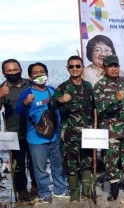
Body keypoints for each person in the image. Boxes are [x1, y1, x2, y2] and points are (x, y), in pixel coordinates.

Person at [15, 62, 69, 203]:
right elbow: (18, 111)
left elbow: (61, 110)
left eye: (42, 72)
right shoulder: (28, 93)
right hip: (36, 139)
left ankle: (60, 189)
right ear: (30, 76)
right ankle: (44, 193)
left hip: (55, 136)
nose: (39, 75)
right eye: (36, 73)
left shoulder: (52, 90)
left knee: (58, 166)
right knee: (40, 169)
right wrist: (25, 103)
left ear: (47, 74)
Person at [49, 56, 95, 202]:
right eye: (71, 66)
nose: (74, 69)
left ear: (82, 68)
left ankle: (87, 192)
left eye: (77, 66)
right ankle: (75, 194)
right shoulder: (62, 87)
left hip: (87, 132)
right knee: (71, 164)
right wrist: (60, 100)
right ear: (67, 68)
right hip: (69, 133)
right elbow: (51, 105)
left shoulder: (88, 86)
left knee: (87, 162)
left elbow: (94, 108)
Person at [94, 55, 124, 201]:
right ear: (104, 68)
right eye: (110, 66)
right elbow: (100, 108)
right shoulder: (100, 85)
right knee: (111, 161)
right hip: (110, 131)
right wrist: (115, 99)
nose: (114, 68)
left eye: (116, 66)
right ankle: (113, 190)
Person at [0, 59, 37, 201]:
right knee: (18, 164)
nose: (13, 72)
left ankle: (36, 185)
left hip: (34, 130)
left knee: (35, 160)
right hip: (14, 132)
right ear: (4, 73)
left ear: (20, 69)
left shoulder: (30, 84)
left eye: (15, 69)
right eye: (9, 70)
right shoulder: (2, 88)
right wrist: (1, 96)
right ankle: (21, 189)